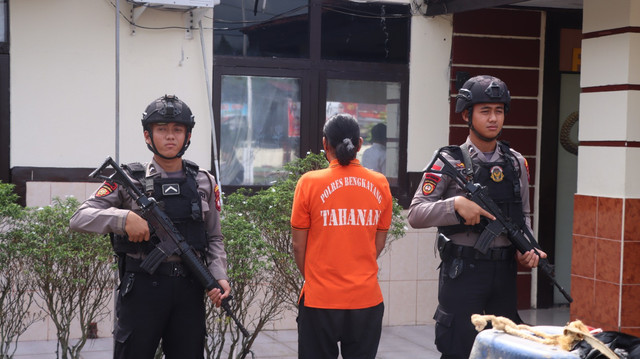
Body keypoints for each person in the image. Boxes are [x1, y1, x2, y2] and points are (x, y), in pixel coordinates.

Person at [70, 94, 230, 359]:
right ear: (148, 136)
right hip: (142, 289)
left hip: (189, 289)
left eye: (177, 130)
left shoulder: (203, 180)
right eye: (162, 130)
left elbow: (213, 236)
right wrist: (123, 219)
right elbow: (80, 217)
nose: (170, 137)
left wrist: (218, 274)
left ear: (188, 136)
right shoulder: (128, 179)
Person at [407, 75, 547, 359]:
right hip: (463, 272)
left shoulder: (515, 162)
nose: (493, 118)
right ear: (466, 115)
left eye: (499, 111)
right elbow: (416, 213)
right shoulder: (448, 160)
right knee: (458, 348)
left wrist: (527, 248)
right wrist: (455, 205)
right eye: (485, 111)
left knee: (504, 349)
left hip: (504, 274)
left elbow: (523, 213)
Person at [291, 113, 393, 359]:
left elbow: (298, 246)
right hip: (366, 301)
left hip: (320, 301)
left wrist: (315, 277)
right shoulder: (380, 184)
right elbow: (377, 244)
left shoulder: (309, 183)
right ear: (359, 144)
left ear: (325, 143)